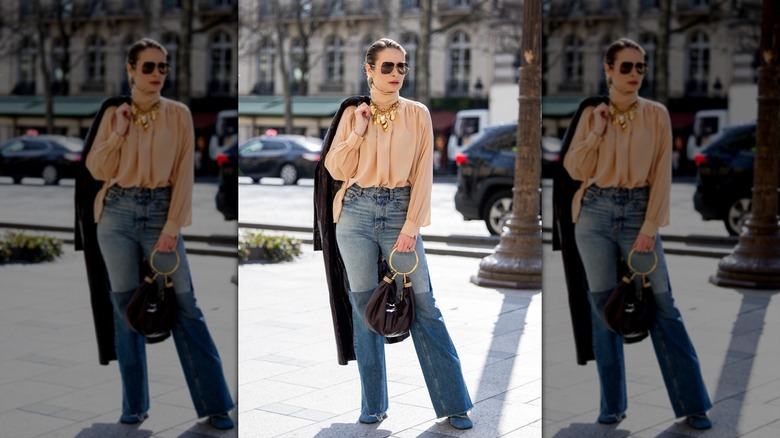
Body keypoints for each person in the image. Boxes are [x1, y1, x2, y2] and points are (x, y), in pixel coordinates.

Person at [320, 38, 474, 429]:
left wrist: (410, 228)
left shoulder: (418, 114)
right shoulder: (353, 113)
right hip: (354, 213)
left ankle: (454, 403)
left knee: (425, 306)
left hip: (399, 214)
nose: (395, 74)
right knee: (364, 307)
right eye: (387, 67)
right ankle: (373, 404)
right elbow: (336, 169)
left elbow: (424, 174)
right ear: (368, 69)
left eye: (401, 67)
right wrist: (356, 131)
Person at [560, 38, 712, 429]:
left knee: (664, 307)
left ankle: (693, 404)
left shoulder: (657, 115)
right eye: (626, 67)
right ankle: (612, 405)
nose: (634, 75)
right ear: (608, 69)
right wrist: (595, 132)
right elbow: (574, 169)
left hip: (637, 215)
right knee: (603, 309)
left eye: (640, 67)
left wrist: (649, 228)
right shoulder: (593, 113)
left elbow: (662, 174)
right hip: (592, 214)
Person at [83, 38, 234, 429]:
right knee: (125, 309)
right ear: (130, 69)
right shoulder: (114, 114)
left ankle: (215, 403)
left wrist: (172, 228)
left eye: (162, 67)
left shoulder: (179, 114)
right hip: (114, 213)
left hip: (159, 215)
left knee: (186, 307)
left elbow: (184, 175)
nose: (156, 74)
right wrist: (117, 132)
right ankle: (134, 405)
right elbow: (96, 169)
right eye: (148, 67)